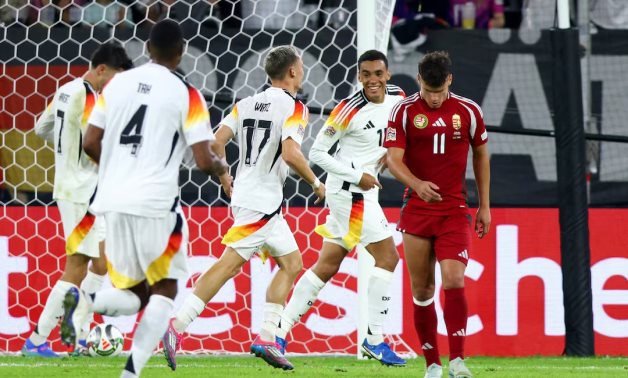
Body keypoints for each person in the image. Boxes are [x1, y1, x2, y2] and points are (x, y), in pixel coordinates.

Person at [60, 19, 228, 378]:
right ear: (181, 53)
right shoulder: (187, 93)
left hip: (112, 202)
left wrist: (117, 170)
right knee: (165, 290)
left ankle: (84, 301)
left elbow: (90, 142)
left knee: (136, 293)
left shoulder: (116, 86)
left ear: (147, 50)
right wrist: (221, 162)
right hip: (155, 204)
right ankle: (131, 372)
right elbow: (202, 160)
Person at [161, 45, 325, 371]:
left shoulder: (245, 104)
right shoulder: (295, 107)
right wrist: (315, 183)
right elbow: (291, 154)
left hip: (253, 197)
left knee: (292, 262)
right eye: (302, 67)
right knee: (229, 265)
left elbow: (215, 143)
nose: (303, 72)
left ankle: (267, 335)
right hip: (261, 202)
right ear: (292, 72)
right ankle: (176, 326)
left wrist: (224, 175)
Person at [273, 49, 406, 367]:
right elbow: (317, 152)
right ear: (359, 77)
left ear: (387, 75)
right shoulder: (348, 108)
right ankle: (375, 340)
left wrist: (387, 157)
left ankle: (278, 332)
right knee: (388, 257)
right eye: (365, 75)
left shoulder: (399, 98)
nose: (372, 80)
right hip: (350, 192)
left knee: (327, 265)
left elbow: (394, 135)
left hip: (360, 192)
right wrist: (358, 174)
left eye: (377, 74)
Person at [22, 41, 133, 358]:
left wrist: (64, 148)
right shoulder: (87, 96)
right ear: (101, 70)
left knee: (99, 264)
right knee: (77, 267)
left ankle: (81, 335)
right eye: (114, 79)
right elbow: (92, 144)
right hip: (80, 192)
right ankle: (37, 340)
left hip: (77, 188)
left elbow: (41, 128)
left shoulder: (65, 90)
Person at [384, 51, 490, 378]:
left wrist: (484, 205)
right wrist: (417, 185)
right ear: (418, 80)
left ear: (449, 80)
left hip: (455, 209)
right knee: (422, 291)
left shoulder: (468, 110)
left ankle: (457, 361)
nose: (433, 98)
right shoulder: (402, 111)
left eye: (438, 91)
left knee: (455, 278)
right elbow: (392, 160)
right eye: (427, 91)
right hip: (417, 208)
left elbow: (481, 156)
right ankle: (432, 364)